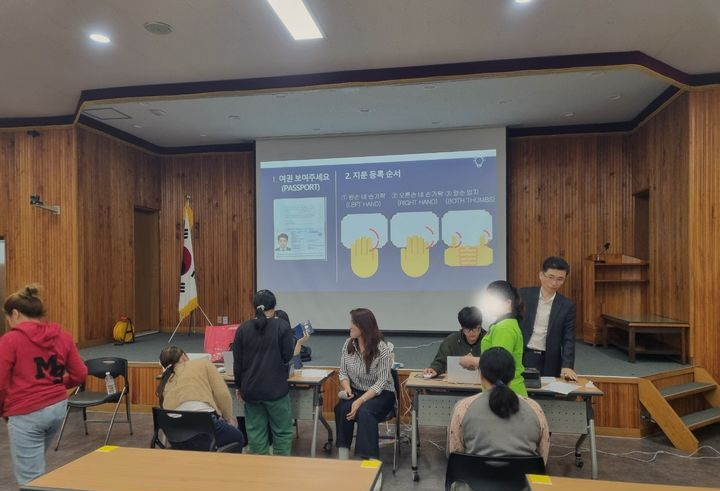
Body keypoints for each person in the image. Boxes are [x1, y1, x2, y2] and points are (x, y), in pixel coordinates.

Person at [0, 285, 88, 485]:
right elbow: (80, 373)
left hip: (26, 412)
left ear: (15, 314)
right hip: (57, 409)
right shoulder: (63, 336)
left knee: (30, 479)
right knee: (36, 465)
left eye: (8, 317)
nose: (9, 322)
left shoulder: (10, 340)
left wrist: (4, 410)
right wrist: (56, 385)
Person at [448, 348, 549, 466]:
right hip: (523, 478)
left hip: (475, 477)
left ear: (481, 376)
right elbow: (543, 458)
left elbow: (455, 456)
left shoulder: (463, 408)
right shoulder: (534, 408)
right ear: (512, 376)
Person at [232, 289, 295, 455]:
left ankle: (260, 468)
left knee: (256, 434)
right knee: (282, 433)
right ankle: (281, 466)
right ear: (274, 306)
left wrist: (238, 386)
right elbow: (287, 356)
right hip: (276, 390)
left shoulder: (242, 329)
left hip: (250, 391)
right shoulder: (282, 326)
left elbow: (237, 363)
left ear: (254, 307)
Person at [156, 345, 244, 451]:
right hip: (204, 428)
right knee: (238, 437)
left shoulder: (166, 379)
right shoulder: (203, 363)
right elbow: (222, 394)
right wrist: (228, 418)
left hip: (175, 436)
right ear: (183, 357)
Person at [335, 308, 395, 460]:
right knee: (342, 409)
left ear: (363, 326)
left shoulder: (382, 349)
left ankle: (371, 464)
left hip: (382, 394)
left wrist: (360, 401)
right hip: (357, 391)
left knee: (365, 412)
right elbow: (343, 373)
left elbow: (381, 383)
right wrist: (347, 389)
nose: (349, 326)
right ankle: (343, 459)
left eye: (353, 323)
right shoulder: (348, 344)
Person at [460, 280, 527, 396]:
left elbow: (498, 364)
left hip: (506, 393)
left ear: (507, 302)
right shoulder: (502, 325)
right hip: (501, 391)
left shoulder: (504, 328)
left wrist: (472, 361)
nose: (487, 305)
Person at [520, 256, 577, 380]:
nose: (554, 283)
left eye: (560, 279)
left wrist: (567, 365)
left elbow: (568, 338)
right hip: (523, 354)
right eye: (550, 277)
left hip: (550, 358)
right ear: (541, 275)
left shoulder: (567, 305)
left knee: (548, 390)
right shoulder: (523, 295)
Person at [423, 306, 483, 378]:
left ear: (480, 325)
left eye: (475, 328)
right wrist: (434, 369)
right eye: (467, 329)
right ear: (462, 327)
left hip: (483, 382)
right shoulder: (451, 341)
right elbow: (441, 362)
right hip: (457, 381)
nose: (471, 332)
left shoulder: (488, 340)